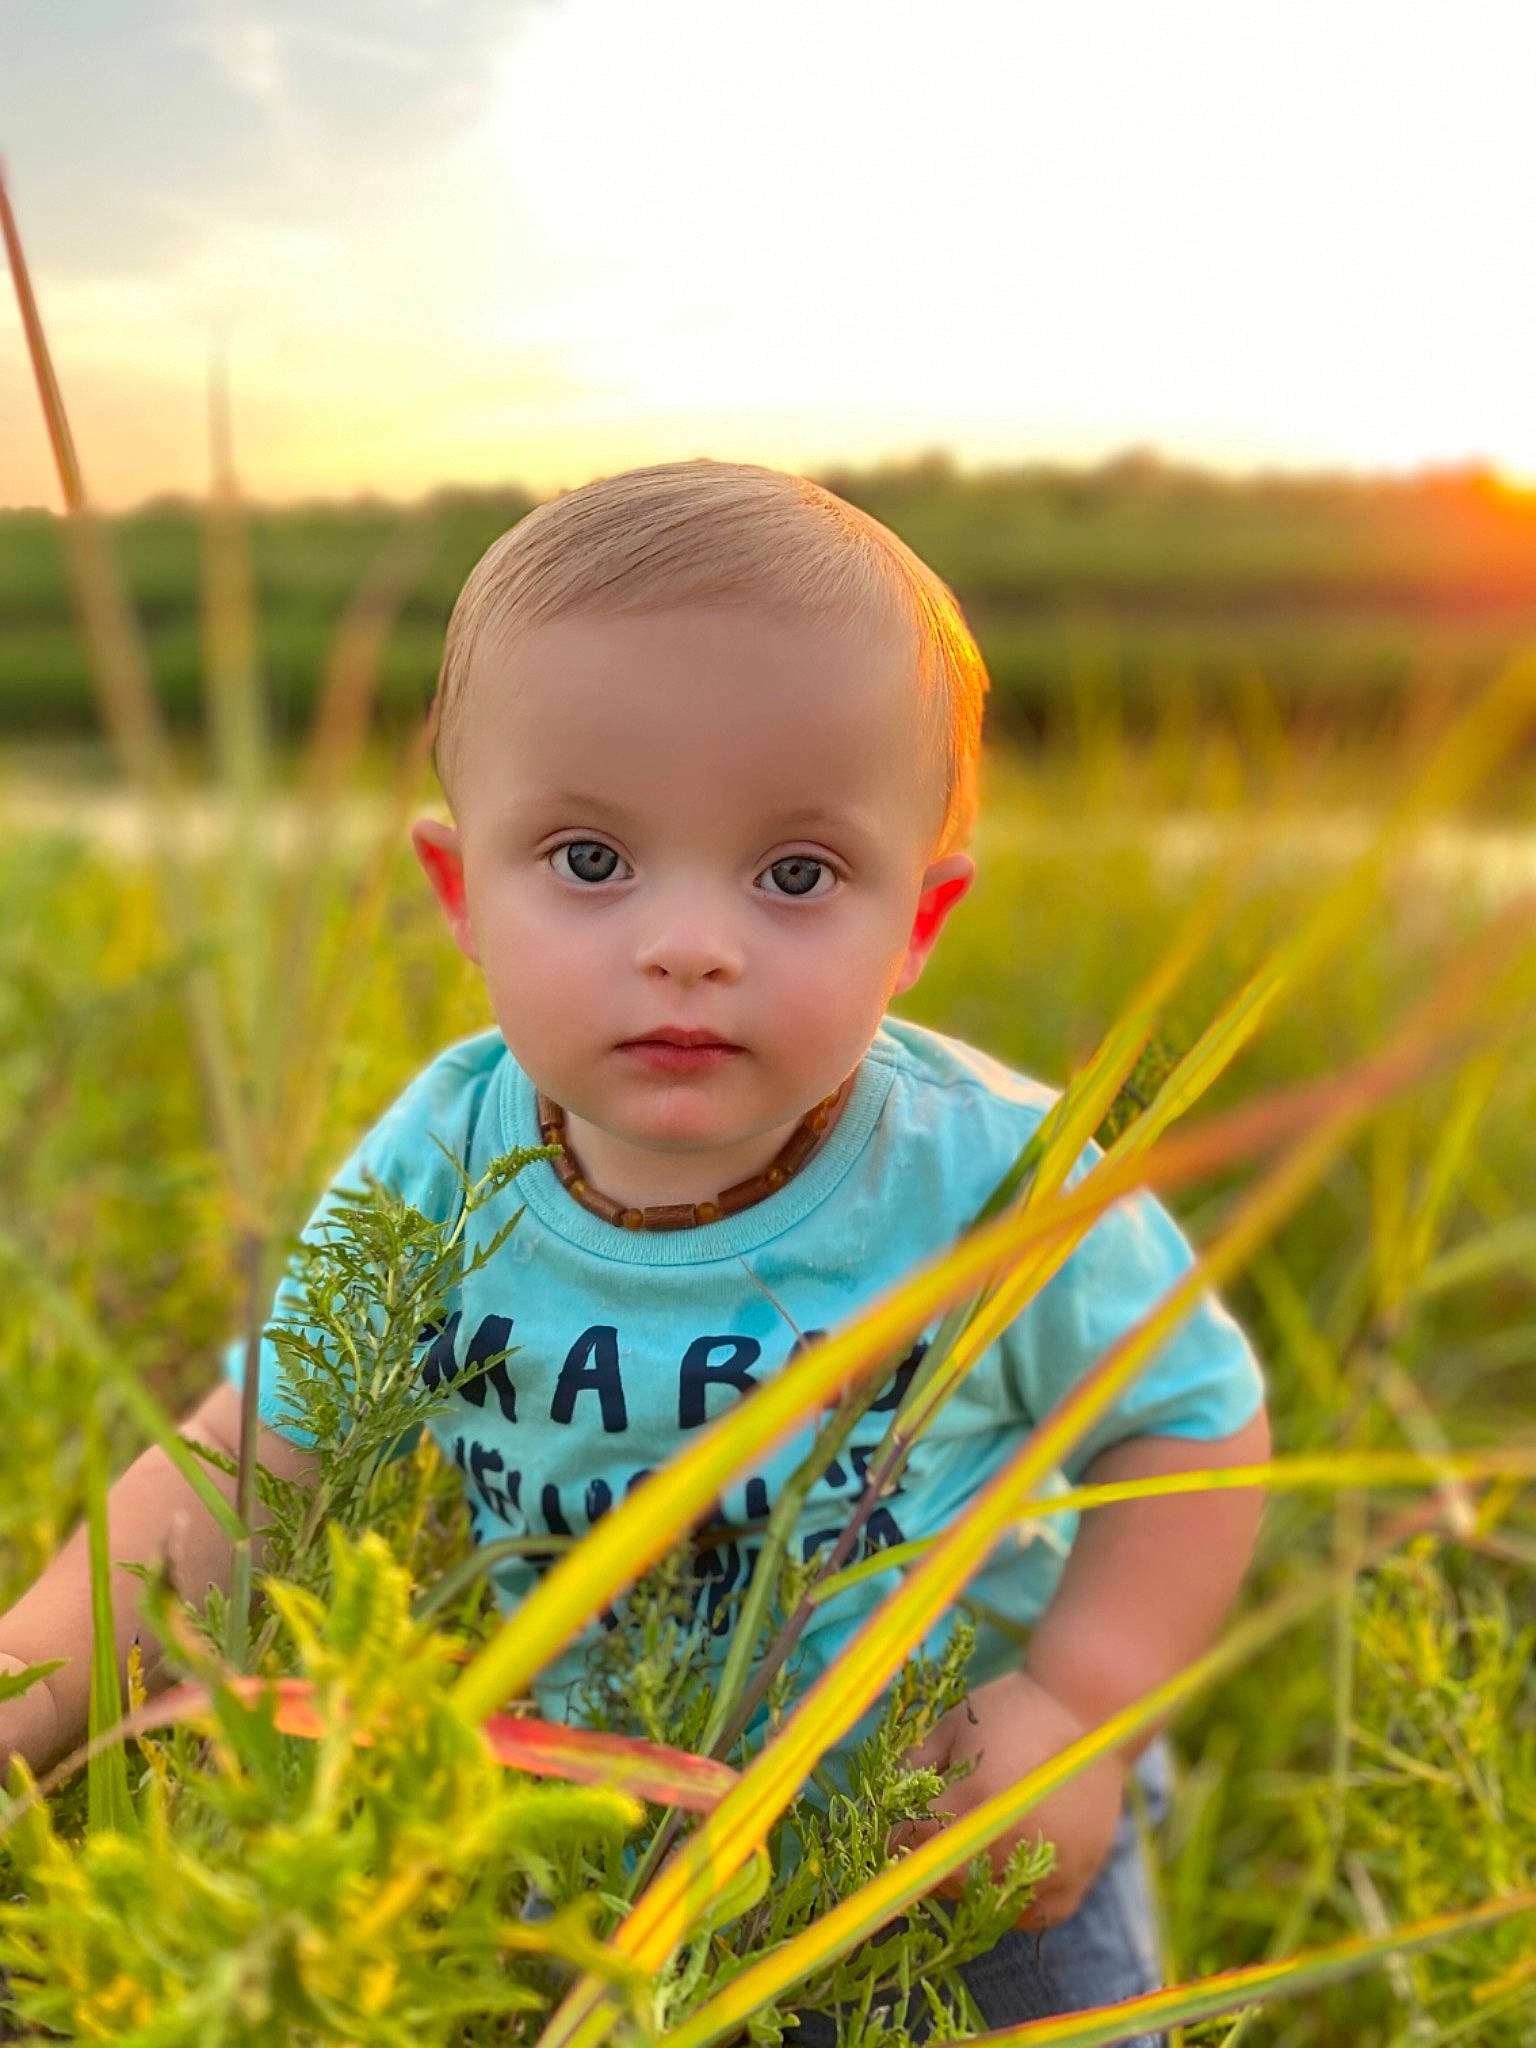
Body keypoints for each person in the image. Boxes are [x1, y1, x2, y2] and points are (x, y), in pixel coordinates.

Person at [0, 459, 1268, 2042]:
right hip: (602, 1824)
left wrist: (1080, 1703)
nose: (689, 941)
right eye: (591, 861)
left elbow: (1196, 1414)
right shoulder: (442, 1162)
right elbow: (256, 1454)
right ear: (463, 894)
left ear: (917, 923)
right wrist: (25, 1690)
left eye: (795, 874)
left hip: (941, 1827)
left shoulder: (984, 1180)